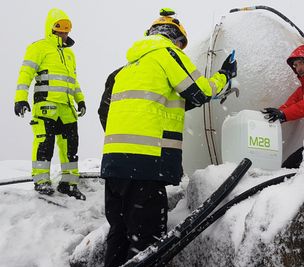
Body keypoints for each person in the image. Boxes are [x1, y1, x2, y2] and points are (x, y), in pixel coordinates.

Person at [98, 8, 237, 267]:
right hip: (146, 166)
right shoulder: (167, 54)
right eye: (182, 45)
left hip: (115, 167)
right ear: (177, 40)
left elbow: (110, 112)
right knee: (146, 247)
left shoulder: (126, 70)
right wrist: (224, 76)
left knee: (120, 236)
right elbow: (201, 91)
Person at [14, 8, 86, 200]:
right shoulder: (38, 47)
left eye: (66, 30)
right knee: (45, 144)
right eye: (59, 29)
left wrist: (80, 100)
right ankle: (42, 181)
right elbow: (25, 74)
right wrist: (20, 97)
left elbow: (73, 81)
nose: (64, 34)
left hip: (67, 108)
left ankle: (69, 184)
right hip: (46, 104)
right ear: (51, 29)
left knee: (71, 146)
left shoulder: (70, 55)